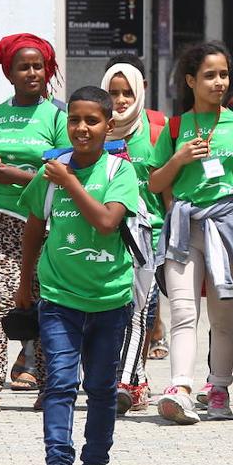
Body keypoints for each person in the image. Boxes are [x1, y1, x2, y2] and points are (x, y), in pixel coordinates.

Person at [16, 86, 139, 465]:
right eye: (74, 120)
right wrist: (24, 283)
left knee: (102, 390)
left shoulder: (119, 173)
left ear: (110, 125)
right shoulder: (50, 173)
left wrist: (70, 181)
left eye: (92, 120)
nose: (82, 128)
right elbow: (34, 227)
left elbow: (107, 222)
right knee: (61, 384)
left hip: (110, 301)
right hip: (59, 299)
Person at [149, 41, 233, 423]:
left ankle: (218, 389)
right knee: (183, 310)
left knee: (222, 315)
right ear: (190, 80)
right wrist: (180, 158)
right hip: (184, 228)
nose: (219, 82)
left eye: (224, 75)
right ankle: (180, 387)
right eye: (209, 76)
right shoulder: (175, 126)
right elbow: (155, 182)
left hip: (230, 228)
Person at [0, 34, 67, 414]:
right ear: (10, 73)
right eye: (24, 67)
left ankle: (50, 386)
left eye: (38, 66)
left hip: (45, 221)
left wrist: (17, 175)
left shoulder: (57, 116)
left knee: (46, 303)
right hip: (0, 221)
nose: (32, 72)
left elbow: (61, 172)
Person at [101, 55, 168, 415]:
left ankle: (124, 383)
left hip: (150, 238)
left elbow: (169, 188)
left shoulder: (156, 131)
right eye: (113, 92)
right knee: (117, 313)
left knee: (139, 313)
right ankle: (137, 382)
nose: (121, 100)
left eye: (128, 92)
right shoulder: (94, 129)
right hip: (107, 238)